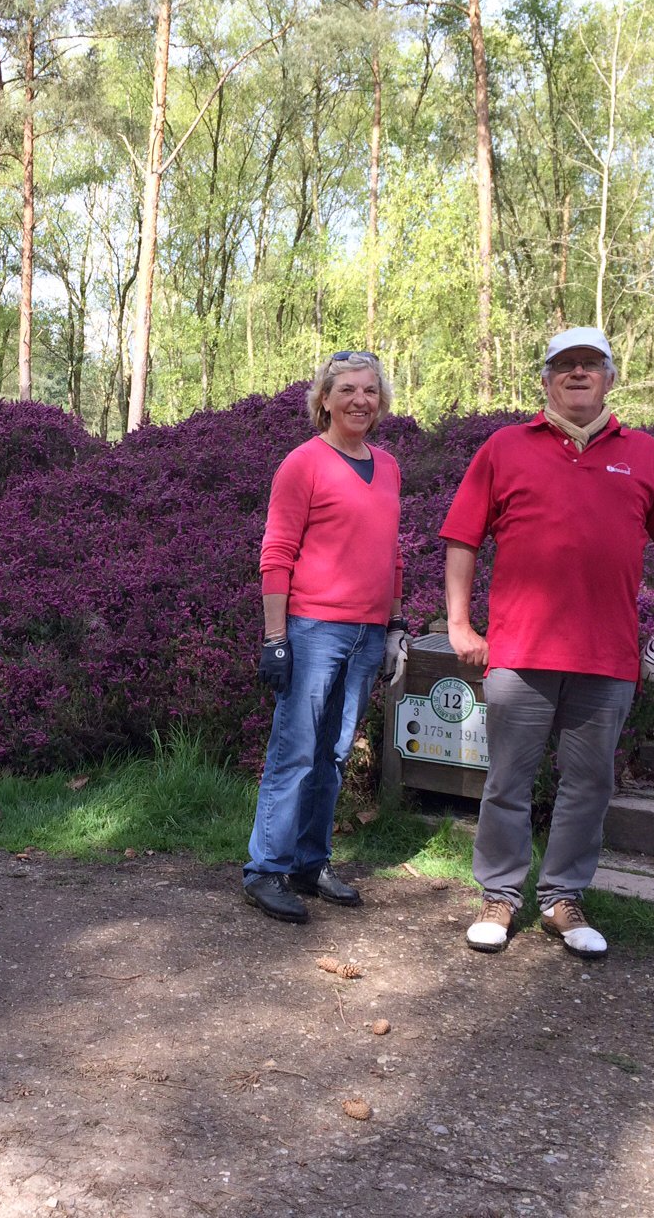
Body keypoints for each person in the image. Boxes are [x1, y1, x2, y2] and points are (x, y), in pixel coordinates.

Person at [440, 327, 654, 958]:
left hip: (607, 658)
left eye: (590, 364)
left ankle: (561, 898)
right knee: (507, 782)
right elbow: (462, 539)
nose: (577, 373)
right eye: (564, 365)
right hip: (520, 653)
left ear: (609, 378)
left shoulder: (644, 454)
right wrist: (458, 625)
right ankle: (500, 895)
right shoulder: (505, 447)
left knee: (588, 786)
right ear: (546, 378)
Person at [244, 350, 408, 924]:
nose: (360, 400)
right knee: (295, 751)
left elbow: (392, 555)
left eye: (370, 390)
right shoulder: (303, 464)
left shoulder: (388, 466)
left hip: (368, 633)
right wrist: (275, 637)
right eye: (347, 390)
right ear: (325, 400)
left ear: (381, 400)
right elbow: (276, 553)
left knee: (334, 754)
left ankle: (310, 863)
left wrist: (395, 626)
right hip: (313, 630)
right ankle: (266, 869)